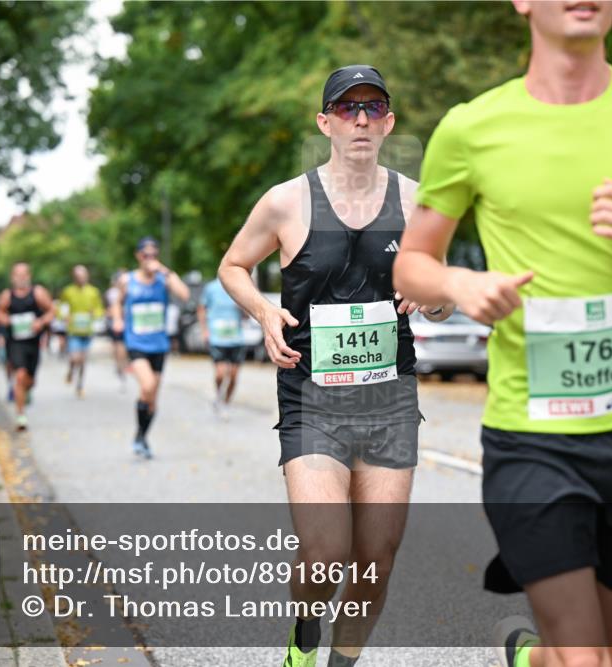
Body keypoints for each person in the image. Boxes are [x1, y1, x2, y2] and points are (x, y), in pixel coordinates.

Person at [392, 2, 612, 666]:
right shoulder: (472, 127)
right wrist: (461, 286)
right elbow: (412, 262)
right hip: (532, 437)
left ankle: (530, 657)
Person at [219, 65, 453, 667]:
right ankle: (304, 634)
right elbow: (232, 267)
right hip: (312, 397)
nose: (360, 119)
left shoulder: (417, 200)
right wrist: (264, 313)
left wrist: (435, 297)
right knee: (324, 554)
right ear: (324, 122)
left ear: (389, 123)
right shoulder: (285, 201)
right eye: (347, 108)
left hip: (390, 398)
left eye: (373, 108)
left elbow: (444, 294)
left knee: (375, 562)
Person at [110, 238, 190, 459]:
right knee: (147, 386)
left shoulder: (163, 279)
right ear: (138, 256)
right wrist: (117, 319)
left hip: (159, 345)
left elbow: (184, 294)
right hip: (136, 343)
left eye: (153, 254)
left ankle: (141, 437)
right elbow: (116, 302)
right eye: (145, 255)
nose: (150, 259)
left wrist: (163, 270)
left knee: (152, 398)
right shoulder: (127, 280)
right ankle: (140, 439)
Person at [0, 262, 54, 431]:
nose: (21, 277)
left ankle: (27, 390)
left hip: (33, 343)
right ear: (12, 277)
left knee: (30, 380)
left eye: (24, 274)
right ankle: (21, 416)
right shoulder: (7, 296)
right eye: (17, 274)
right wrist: (4, 319)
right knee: (20, 376)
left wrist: (41, 322)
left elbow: (52, 311)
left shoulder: (38, 293)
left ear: (29, 276)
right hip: (14, 343)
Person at [197, 277, 247, 416]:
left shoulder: (240, 286)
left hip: (236, 338)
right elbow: (201, 308)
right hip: (217, 338)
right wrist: (204, 330)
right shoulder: (211, 287)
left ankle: (226, 402)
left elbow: (248, 315)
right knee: (220, 373)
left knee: (234, 375)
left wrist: (243, 307)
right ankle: (219, 395)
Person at [60, 265, 104, 398]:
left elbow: (99, 309)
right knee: (75, 357)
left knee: (83, 360)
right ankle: (71, 370)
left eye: (83, 276)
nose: (81, 278)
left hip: (87, 330)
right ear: (74, 277)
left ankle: (80, 385)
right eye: (78, 276)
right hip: (74, 330)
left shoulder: (93, 291)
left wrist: (94, 314)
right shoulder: (68, 291)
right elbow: (62, 307)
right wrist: (65, 316)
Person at [104, 270, 129, 391]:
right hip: (116, 324)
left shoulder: (133, 289)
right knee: (119, 347)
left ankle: (121, 366)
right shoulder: (112, 293)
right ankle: (120, 368)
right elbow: (109, 309)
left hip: (130, 324)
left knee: (122, 348)